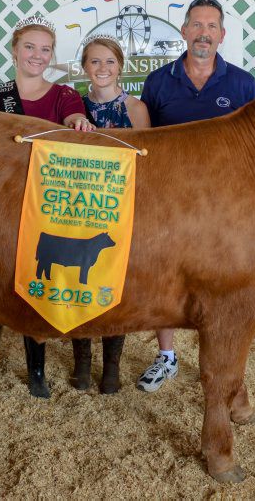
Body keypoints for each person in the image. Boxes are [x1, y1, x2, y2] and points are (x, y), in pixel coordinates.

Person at [136, 0, 255, 392]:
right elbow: (147, 144)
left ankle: (225, 361)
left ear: (221, 36)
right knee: (166, 277)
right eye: (197, 25)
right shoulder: (158, 81)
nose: (204, 33)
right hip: (169, 203)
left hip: (226, 206)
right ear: (185, 32)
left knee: (227, 284)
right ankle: (167, 357)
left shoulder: (243, 83)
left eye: (212, 26)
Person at [0, 14, 95, 399]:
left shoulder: (64, 97)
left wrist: (80, 123)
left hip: (43, 207)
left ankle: (36, 371)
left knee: (34, 282)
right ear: (14, 50)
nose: (37, 56)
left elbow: (76, 118)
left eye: (45, 49)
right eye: (30, 47)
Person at [67, 34, 151, 394]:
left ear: (121, 66)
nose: (102, 68)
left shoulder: (135, 108)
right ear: (84, 67)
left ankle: (112, 364)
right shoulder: (72, 108)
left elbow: (149, 160)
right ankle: (82, 361)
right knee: (81, 282)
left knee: (117, 282)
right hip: (80, 209)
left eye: (110, 62)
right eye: (95, 62)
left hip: (121, 207)